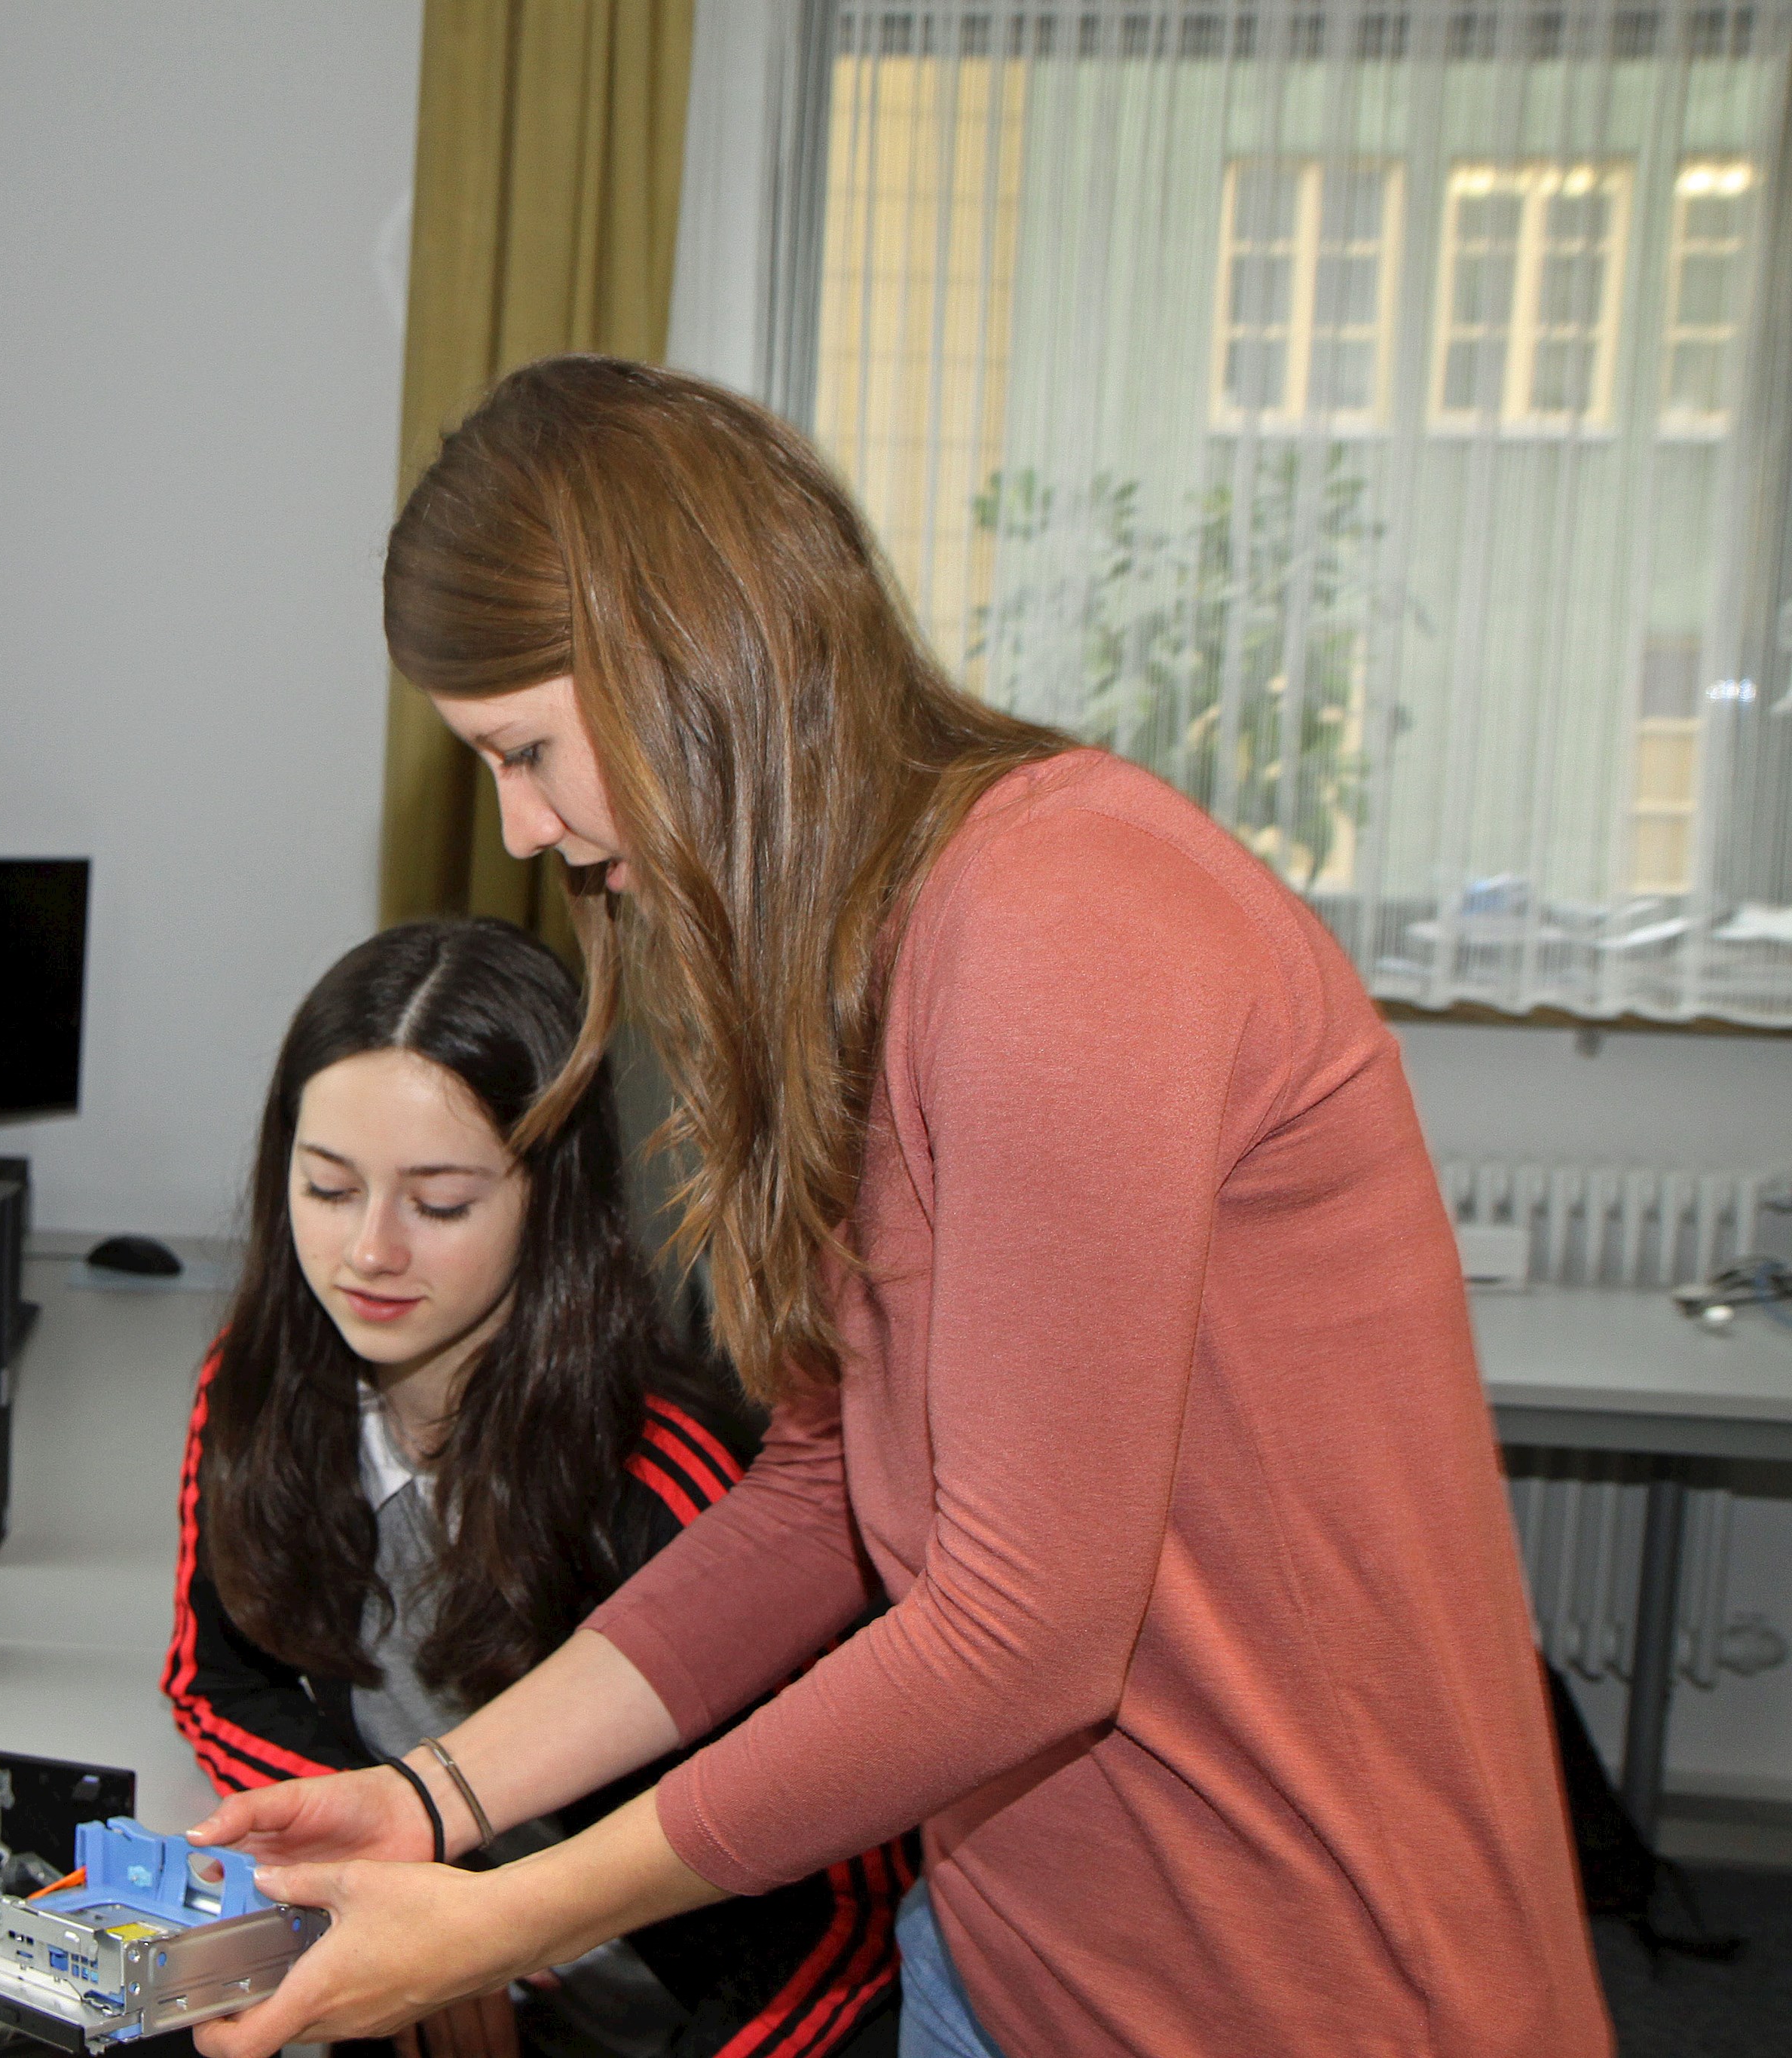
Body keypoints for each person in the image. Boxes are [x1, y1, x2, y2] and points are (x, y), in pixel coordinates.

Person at [184, 358, 1605, 2058]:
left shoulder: (1059, 917)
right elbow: (821, 1504)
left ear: (678, 650)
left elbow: (1020, 1638)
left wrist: (504, 1914)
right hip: (1018, 1949)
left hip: (1297, 1987)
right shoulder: (875, 960)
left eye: (530, 750)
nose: (525, 826)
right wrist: (432, 1795)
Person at [167, 916, 907, 2058]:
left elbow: (848, 1907)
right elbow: (217, 1682)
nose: (369, 1251)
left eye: (442, 1204)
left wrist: (474, 1928)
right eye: (327, 1188)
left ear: (550, 1196)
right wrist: (415, 1887)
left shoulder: (681, 1486)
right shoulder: (254, 1387)